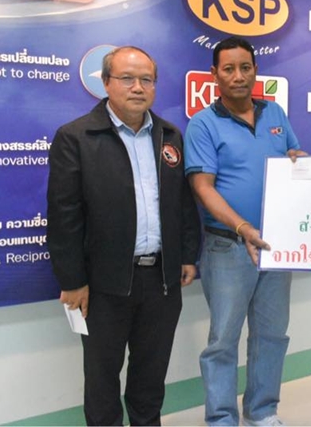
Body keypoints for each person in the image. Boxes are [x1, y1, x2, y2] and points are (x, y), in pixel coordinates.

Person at [185, 36, 311, 427]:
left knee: (272, 335)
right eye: (229, 69)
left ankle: (261, 411)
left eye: (245, 67)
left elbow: (293, 159)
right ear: (215, 74)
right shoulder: (203, 123)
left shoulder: (275, 114)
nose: (238, 76)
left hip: (277, 244)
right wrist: (242, 227)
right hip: (229, 246)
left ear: (256, 70)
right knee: (223, 340)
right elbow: (203, 187)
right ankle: (221, 418)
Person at [46, 46, 202, 426]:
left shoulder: (169, 136)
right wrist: (72, 280)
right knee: (102, 381)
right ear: (106, 83)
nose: (138, 87)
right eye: (127, 78)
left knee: (150, 379)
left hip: (161, 282)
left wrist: (186, 255)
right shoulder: (76, 137)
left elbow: (182, 202)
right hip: (103, 286)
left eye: (146, 79)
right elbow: (64, 216)